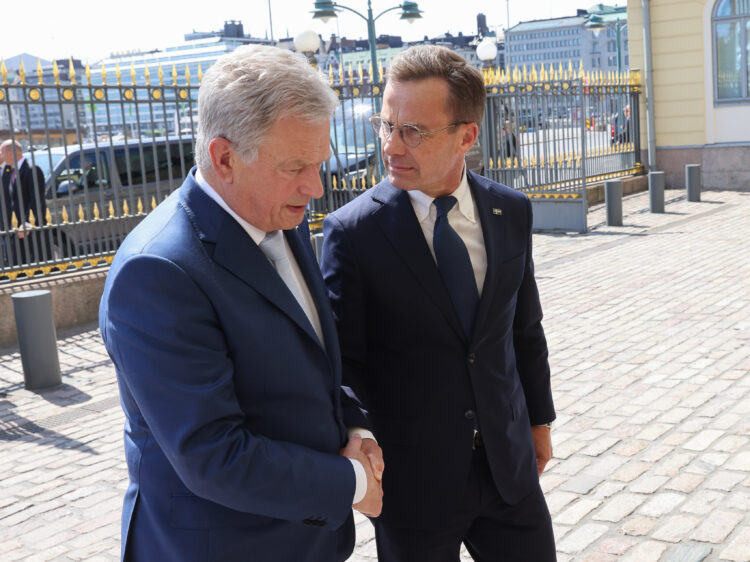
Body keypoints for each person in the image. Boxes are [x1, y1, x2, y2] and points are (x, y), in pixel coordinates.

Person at [99, 45, 383, 562]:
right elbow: (213, 455)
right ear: (224, 158)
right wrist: (352, 480)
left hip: (304, 538)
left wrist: (355, 427)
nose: (315, 187)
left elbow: (313, 357)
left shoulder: (278, 214)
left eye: (319, 163)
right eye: (295, 166)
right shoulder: (157, 273)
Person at [321, 45, 556, 561]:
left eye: (414, 131)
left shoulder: (510, 210)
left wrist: (538, 421)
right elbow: (344, 363)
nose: (391, 146)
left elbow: (524, 329)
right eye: (387, 126)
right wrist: (360, 439)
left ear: (466, 135)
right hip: (413, 487)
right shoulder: (352, 233)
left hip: (509, 469)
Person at [0, 139, 47, 266]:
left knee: (36, 264)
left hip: (29, 228)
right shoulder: (8, 171)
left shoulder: (32, 170)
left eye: (1, 152)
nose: (0, 155)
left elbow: (36, 199)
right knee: (17, 265)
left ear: (12, 154)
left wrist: (27, 223)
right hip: (14, 227)